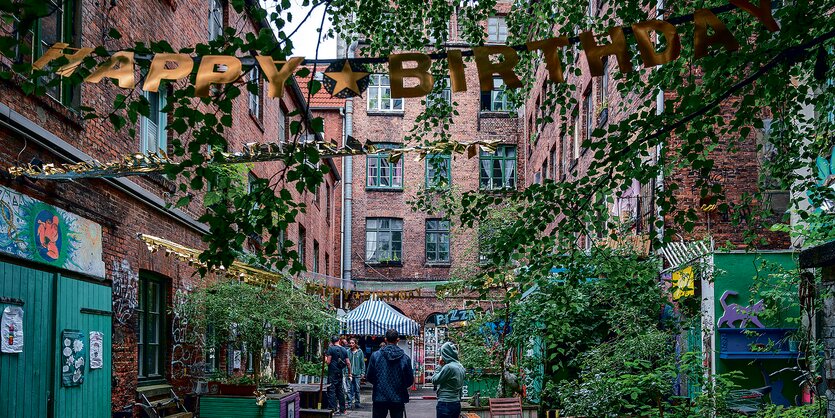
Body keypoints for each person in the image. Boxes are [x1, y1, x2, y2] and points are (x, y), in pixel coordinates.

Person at [366, 329, 414, 418]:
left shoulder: (375, 356)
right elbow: (409, 380)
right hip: (398, 396)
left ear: (385, 339)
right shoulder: (405, 358)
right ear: (398, 340)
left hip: (379, 396)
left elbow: (369, 376)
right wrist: (401, 385)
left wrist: (379, 384)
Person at [432, 342, 466, 418]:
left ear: (445, 354)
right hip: (456, 403)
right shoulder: (460, 366)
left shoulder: (448, 367)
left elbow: (434, 380)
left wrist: (439, 366)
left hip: (445, 403)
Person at [325, 335, 351, 415]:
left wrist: (325, 358)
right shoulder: (344, 349)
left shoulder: (331, 349)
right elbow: (348, 363)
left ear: (332, 341)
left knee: (332, 390)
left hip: (332, 373)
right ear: (339, 340)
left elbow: (328, 362)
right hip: (340, 372)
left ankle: (333, 409)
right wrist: (350, 373)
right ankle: (343, 410)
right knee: (340, 391)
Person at [347, 338, 366, 408]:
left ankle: (357, 403)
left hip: (357, 374)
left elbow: (362, 363)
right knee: (349, 389)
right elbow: (346, 363)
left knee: (357, 389)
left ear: (355, 344)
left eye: (352, 343)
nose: (351, 344)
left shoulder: (360, 352)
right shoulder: (347, 351)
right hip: (349, 374)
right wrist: (346, 372)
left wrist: (362, 373)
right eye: (350, 343)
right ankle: (349, 403)